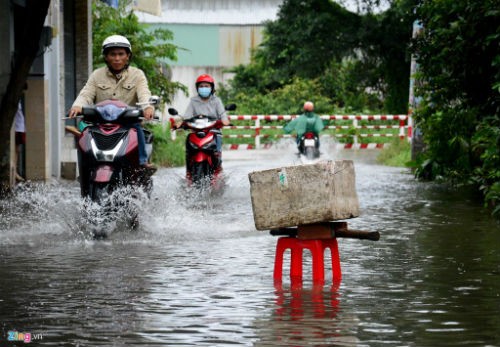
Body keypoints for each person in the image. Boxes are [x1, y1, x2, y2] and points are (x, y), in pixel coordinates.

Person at [68, 34, 155, 169]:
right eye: (112, 54)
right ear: (106, 56)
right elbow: (86, 94)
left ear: (128, 56)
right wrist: (77, 106)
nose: (117, 58)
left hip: (127, 122)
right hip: (101, 123)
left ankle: (143, 162)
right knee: (85, 134)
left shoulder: (137, 75)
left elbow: (144, 93)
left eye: (121, 54)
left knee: (137, 129)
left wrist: (148, 107)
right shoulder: (97, 75)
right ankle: (85, 170)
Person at [181, 74, 230, 167]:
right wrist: (182, 123)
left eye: (206, 86)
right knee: (189, 150)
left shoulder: (216, 101)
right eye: (201, 86)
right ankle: (189, 170)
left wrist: (225, 121)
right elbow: (187, 116)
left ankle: (218, 166)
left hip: (213, 131)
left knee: (217, 151)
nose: (204, 88)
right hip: (196, 132)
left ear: (211, 88)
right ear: (197, 88)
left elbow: (223, 115)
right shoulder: (193, 101)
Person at [14, 98, 26, 182]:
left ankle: (15, 170)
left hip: (20, 128)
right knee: (15, 149)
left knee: (17, 150)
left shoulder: (18, 99)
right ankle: (14, 171)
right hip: (17, 128)